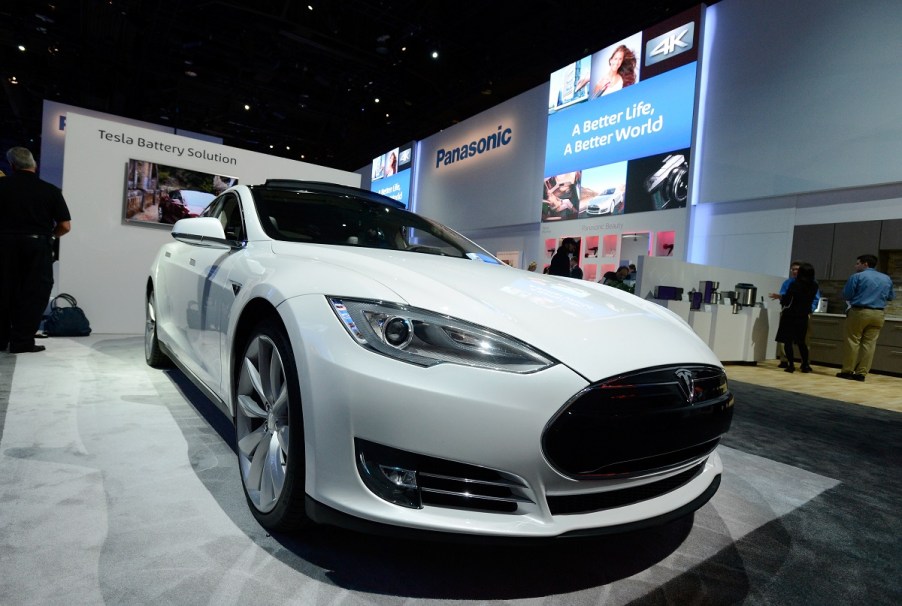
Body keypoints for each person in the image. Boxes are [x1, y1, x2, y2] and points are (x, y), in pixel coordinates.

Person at [0, 147, 72, 354]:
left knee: (3, 290)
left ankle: (1, 339)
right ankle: (21, 341)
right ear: (34, 165)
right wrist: (50, 236)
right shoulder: (50, 190)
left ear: (12, 166)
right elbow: (65, 226)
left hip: (3, 245)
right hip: (37, 246)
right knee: (35, 293)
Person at [836, 254, 895, 381]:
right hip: (878, 314)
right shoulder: (886, 278)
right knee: (869, 344)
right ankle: (861, 373)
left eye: (857, 263)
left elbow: (847, 295)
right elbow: (890, 297)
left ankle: (847, 371)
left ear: (865, 264)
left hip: (860, 312)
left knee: (853, 341)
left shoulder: (857, 277)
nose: (855, 266)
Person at [769, 260, 821, 367]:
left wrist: (782, 299)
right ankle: (802, 364)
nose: (794, 271)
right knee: (801, 341)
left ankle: (791, 364)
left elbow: (787, 299)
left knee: (788, 340)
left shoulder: (794, 284)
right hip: (803, 314)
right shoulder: (814, 285)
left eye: (797, 269)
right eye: (793, 269)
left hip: (791, 314)